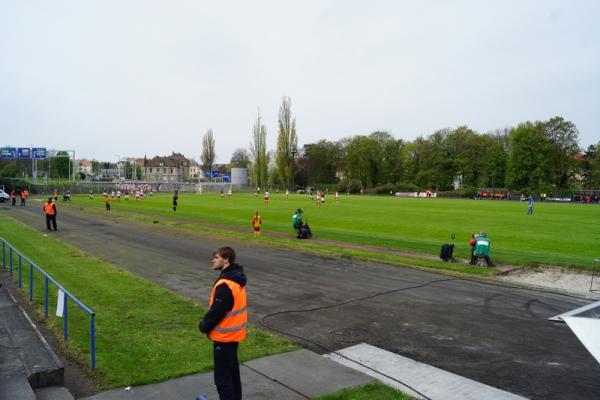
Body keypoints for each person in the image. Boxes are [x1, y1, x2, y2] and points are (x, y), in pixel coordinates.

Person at [199, 247, 247, 400]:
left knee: (222, 380)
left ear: (226, 260)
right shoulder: (235, 279)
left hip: (224, 337)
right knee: (232, 374)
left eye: (216, 257)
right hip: (233, 336)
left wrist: (204, 326)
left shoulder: (226, 284)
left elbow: (217, 312)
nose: (213, 260)